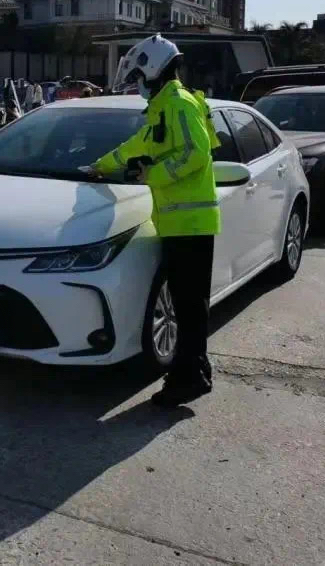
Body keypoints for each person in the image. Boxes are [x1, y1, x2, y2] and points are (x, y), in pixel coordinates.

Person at [86, 35, 221, 407]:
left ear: (154, 70)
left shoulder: (178, 104)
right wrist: (100, 166)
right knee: (189, 305)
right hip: (181, 224)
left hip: (190, 224)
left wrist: (153, 175)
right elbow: (139, 144)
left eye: (139, 76)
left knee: (189, 307)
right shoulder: (163, 106)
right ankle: (196, 372)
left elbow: (197, 154)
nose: (138, 84)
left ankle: (187, 380)